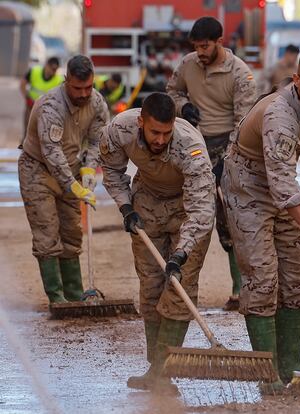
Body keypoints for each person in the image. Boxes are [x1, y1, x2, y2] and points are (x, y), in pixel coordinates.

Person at [221, 49, 300, 394]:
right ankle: (267, 369)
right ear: (297, 81)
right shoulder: (278, 115)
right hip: (249, 187)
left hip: (281, 182)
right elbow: (283, 188)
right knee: (262, 277)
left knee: (298, 275)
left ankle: (292, 362)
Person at [99, 92, 215, 392]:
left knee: (180, 287)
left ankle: (165, 371)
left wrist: (182, 253)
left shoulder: (191, 147)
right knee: (150, 285)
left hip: (186, 207)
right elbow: (111, 170)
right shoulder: (119, 129)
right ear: (141, 122)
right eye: (154, 132)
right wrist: (126, 206)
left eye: (167, 133)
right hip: (147, 200)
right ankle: (155, 367)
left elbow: (201, 209)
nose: (161, 140)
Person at [166, 16, 256, 311]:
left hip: (229, 147)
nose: (200, 52)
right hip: (194, 143)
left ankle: (240, 288)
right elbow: (173, 92)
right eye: (196, 46)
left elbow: (243, 124)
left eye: (205, 46)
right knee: (187, 213)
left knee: (230, 218)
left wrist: (225, 162)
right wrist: (184, 106)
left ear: (220, 42)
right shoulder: (188, 64)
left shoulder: (240, 74)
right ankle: (178, 284)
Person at [18, 55, 109, 306]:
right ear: (66, 80)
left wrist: (89, 170)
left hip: (71, 167)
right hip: (38, 169)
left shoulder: (97, 103)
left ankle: (75, 295)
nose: (83, 94)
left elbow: (96, 141)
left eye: (88, 87)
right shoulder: (50, 106)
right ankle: (57, 299)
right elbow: (51, 152)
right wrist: (74, 186)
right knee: (48, 233)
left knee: (71, 232)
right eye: (77, 88)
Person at [20, 56, 64, 141]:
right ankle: (25, 145)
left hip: (47, 109)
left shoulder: (58, 80)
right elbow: (22, 84)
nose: (53, 71)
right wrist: (27, 97)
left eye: (55, 69)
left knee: (44, 132)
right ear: (46, 65)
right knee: (28, 128)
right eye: (52, 68)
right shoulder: (34, 71)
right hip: (31, 106)